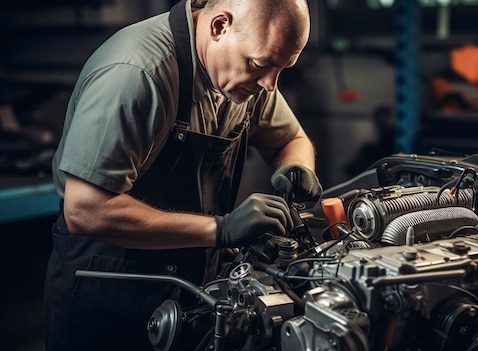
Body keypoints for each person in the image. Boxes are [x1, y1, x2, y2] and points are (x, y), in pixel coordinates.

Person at [44, 0, 322, 350]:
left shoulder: (246, 73)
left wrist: (296, 167)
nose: (269, 84)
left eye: (282, 68)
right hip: (111, 285)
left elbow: (291, 139)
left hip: (192, 283)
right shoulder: (137, 73)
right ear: (219, 26)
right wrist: (222, 229)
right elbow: (86, 209)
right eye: (260, 64)